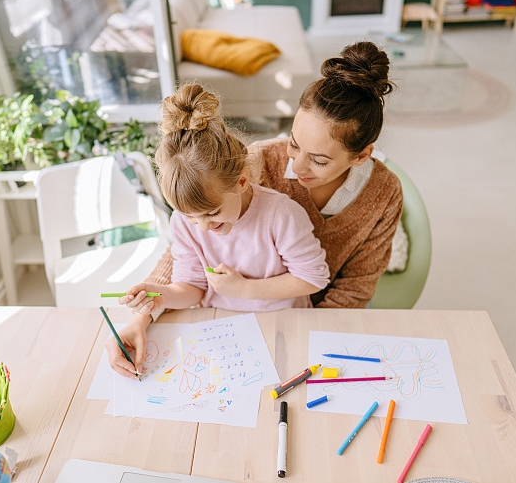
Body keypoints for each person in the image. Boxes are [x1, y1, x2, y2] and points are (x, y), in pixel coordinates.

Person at [109, 41, 403, 378]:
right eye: (294, 144)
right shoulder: (255, 162)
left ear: (362, 156)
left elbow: (355, 287)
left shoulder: (383, 194)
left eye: (319, 160)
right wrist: (143, 316)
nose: (298, 166)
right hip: (232, 327)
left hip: (305, 322)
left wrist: (310, 341)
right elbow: (188, 249)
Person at [116, 82, 330, 320]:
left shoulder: (281, 215)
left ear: (241, 181)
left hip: (283, 322)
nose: (203, 227)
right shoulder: (183, 222)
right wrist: (161, 296)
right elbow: (192, 287)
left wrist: (244, 289)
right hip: (219, 324)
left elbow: (313, 278)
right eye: (191, 217)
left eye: (212, 212)